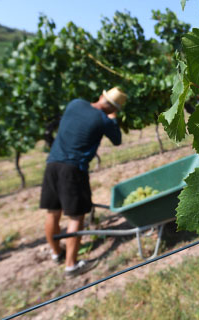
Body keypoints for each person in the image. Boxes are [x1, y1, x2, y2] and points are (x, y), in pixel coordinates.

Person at [40, 87, 127, 277]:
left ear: (100, 96)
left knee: (53, 213)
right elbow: (118, 140)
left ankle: (56, 253)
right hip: (72, 170)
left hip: (52, 164)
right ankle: (71, 265)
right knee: (76, 217)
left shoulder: (75, 103)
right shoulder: (104, 119)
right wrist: (112, 118)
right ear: (113, 108)